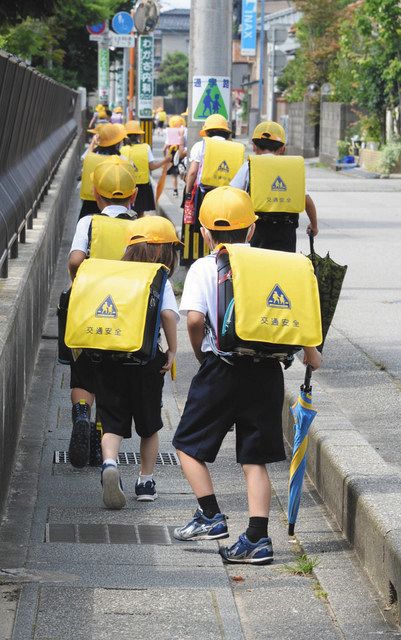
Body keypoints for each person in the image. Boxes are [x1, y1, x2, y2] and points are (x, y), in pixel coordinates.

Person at [172, 186, 322, 564]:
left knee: (187, 443)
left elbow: (194, 319)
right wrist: (309, 351)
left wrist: (200, 352)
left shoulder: (205, 267)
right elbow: (298, 314)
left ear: (204, 232)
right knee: (253, 458)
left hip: (221, 368)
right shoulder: (277, 262)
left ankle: (210, 515)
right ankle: (257, 539)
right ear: (252, 230)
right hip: (268, 371)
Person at [95, 216, 180, 508]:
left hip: (110, 358)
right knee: (149, 425)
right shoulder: (159, 278)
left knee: (112, 422)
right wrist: (172, 349)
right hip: (146, 361)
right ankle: (145, 480)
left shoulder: (112, 272)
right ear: (159, 251)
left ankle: (109, 463)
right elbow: (168, 315)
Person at [68, 157, 138, 468]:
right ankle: (100, 433)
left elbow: (75, 259)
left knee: (84, 368)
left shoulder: (88, 223)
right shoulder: (139, 227)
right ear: (133, 196)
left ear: (96, 196)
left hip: (90, 306)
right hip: (125, 311)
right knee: (113, 373)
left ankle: (82, 412)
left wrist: (81, 282)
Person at [230, 121, 318, 253]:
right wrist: (314, 225)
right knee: (283, 268)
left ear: (254, 146)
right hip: (286, 231)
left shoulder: (249, 166)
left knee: (257, 266)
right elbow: (306, 200)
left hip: (257, 229)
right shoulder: (291, 168)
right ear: (283, 148)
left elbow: (233, 194)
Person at [181, 114, 244, 266]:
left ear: (207, 131)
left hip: (205, 194)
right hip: (228, 195)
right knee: (224, 229)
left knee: (203, 226)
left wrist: (188, 192)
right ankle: (222, 259)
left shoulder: (201, 145)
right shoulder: (235, 147)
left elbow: (192, 172)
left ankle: (202, 260)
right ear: (225, 132)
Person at [120, 120, 171, 216]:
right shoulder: (146, 147)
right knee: (140, 213)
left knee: (126, 212)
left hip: (127, 185)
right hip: (143, 186)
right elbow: (152, 167)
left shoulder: (122, 150)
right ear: (139, 135)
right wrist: (165, 160)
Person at [79, 123, 127, 219]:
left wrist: (93, 143)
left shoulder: (90, 157)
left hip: (89, 202)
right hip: (112, 203)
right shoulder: (122, 159)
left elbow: (84, 158)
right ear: (117, 142)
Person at [164, 115, 186, 197]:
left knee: (174, 175)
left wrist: (165, 157)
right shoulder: (184, 131)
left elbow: (165, 147)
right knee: (183, 172)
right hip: (182, 153)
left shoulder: (169, 132)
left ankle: (175, 191)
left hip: (172, 153)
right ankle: (186, 188)